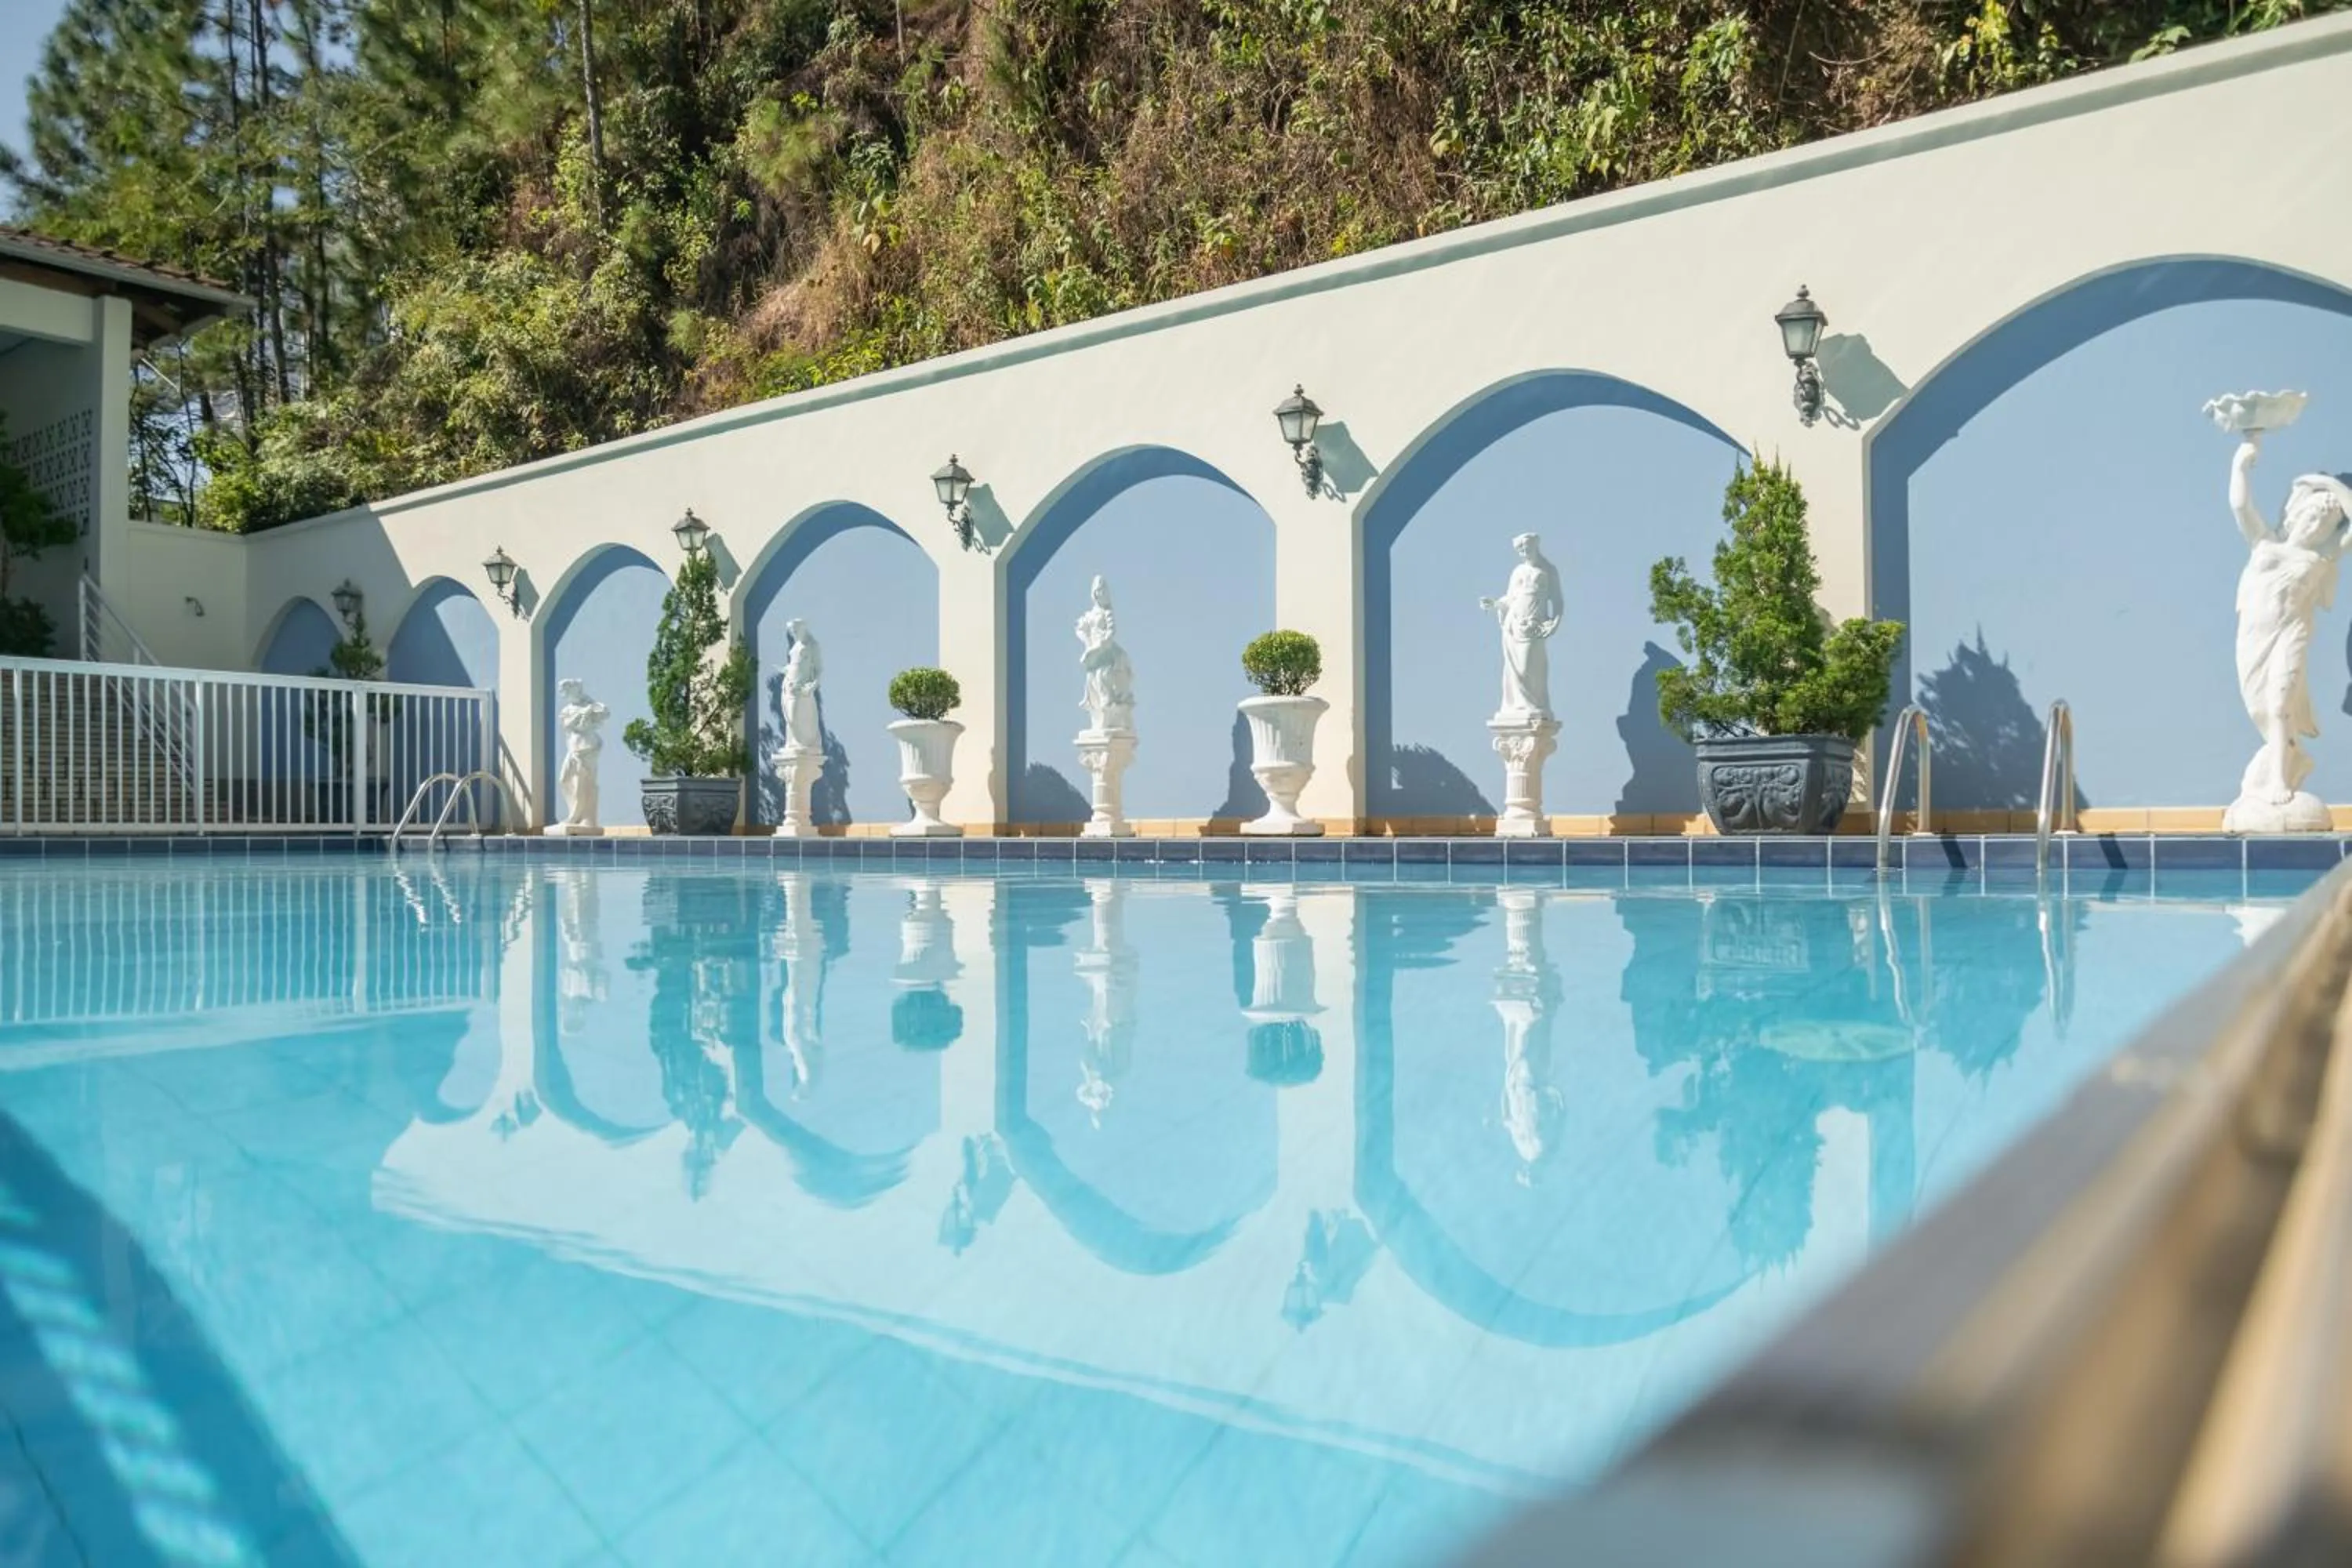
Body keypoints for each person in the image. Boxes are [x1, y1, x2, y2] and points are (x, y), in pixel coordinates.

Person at [2224, 433, 2352, 830]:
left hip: (2292, 636)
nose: (2316, 524)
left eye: (2326, 521)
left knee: (2281, 706)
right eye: (2312, 515)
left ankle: (2280, 778)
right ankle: (2288, 758)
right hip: (2254, 642)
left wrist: (2332, 488)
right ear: (2296, 516)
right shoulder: (2264, 544)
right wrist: (2241, 463)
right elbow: (2240, 505)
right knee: (2263, 709)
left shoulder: (2321, 558)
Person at [1478, 532, 1564, 720]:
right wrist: (1495, 604)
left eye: (1527, 548)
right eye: (1521, 550)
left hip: (1534, 627)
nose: (1525, 552)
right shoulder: (1518, 572)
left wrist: (1555, 622)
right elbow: (1510, 598)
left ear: (1536, 547)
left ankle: (1533, 705)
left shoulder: (1549, 570)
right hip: (1514, 625)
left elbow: (1557, 600)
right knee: (1514, 669)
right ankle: (1518, 707)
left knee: (1528, 667)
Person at [1075, 575, 1135, 731]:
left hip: (1106, 651)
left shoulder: (1108, 613)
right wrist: (1088, 643)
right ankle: (1101, 715)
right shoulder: (1090, 615)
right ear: (1094, 594)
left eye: (1104, 591)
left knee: (1105, 676)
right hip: (1095, 652)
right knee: (1094, 681)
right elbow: (1080, 628)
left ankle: (1111, 711)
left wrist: (1098, 647)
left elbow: (1111, 632)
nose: (1102, 594)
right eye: (1099, 591)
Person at [554, 678, 609, 829]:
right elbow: (567, 724)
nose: (563, 694)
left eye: (565, 690)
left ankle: (581, 817)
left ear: (574, 689)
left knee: (582, 783)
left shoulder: (588, 705)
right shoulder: (568, 710)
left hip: (587, 747)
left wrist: (594, 709)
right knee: (564, 779)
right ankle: (575, 813)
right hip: (574, 748)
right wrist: (583, 713)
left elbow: (604, 714)